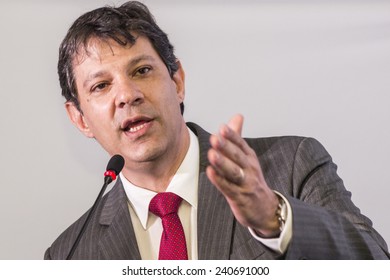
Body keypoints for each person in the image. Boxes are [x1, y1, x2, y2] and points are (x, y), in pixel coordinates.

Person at [45, 1, 389, 260]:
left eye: (141, 71)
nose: (127, 95)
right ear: (80, 119)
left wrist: (274, 218)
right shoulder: (69, 255)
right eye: (101, 86)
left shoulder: (292, 166)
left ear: (177, 82)